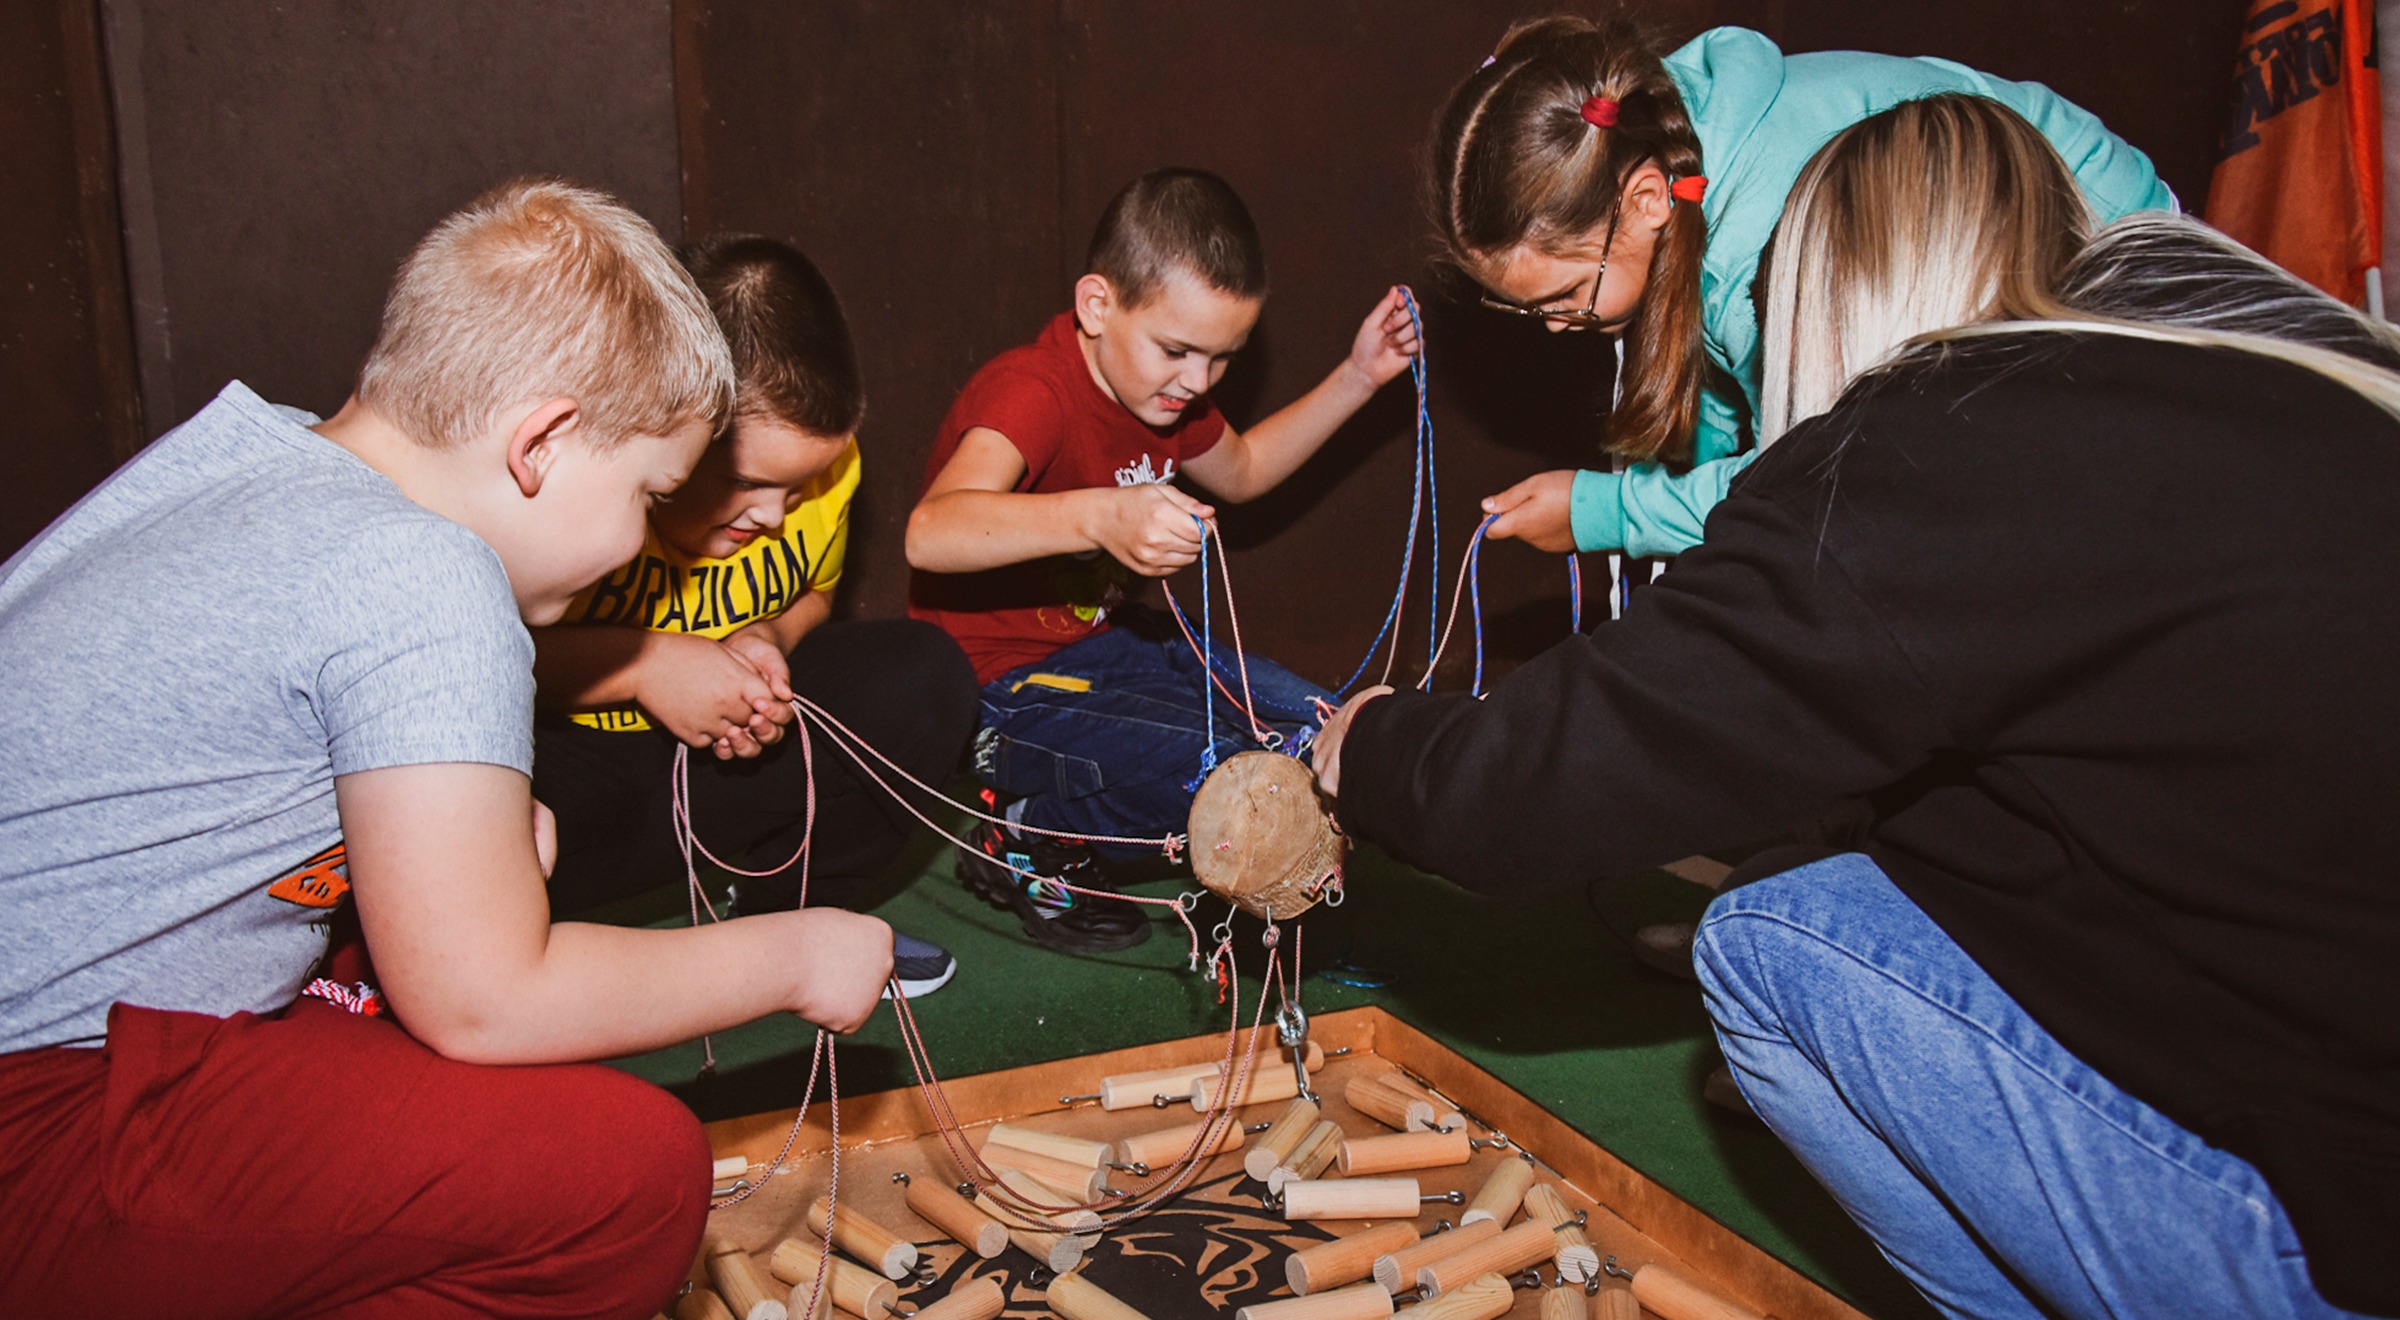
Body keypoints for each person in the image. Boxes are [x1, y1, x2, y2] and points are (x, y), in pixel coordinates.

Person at [1315, 98, 2396, 1318]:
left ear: (1832, 292)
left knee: (1771, 933)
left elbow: (1524, 794)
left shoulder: (1945, 444)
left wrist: (1376, 747)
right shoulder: (2260, 377)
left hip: (2339, 1242)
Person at [0, 181, 893, 1318]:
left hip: (73, 1031)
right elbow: (487, 1001)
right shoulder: (427, 572)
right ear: (542, 443)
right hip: (39, 1113)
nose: (640, 535)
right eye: (648, 492)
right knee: (624, 1176)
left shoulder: (244, 451)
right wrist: (797, 956)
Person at [1430, 12, 2171, 561]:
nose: (1557, 326)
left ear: (1648, 201)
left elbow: (1817, 472)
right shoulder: (1657, 136)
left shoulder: (1765, 247)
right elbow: (1719, 360)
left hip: (2109, 283)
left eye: (1563, 297)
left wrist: (1611, 511)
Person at [907, 167, 1419, 954]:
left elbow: (1243, 471)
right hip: (1001, 694)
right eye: (1178, 350)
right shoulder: (1032, 392)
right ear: (1096, 305)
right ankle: (1027, 833)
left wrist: (1357, 378)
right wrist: (1101, 515)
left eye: (1222, 359)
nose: (1198, 381)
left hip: (1113, 651)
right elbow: (931, 532)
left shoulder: (1164, 396)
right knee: (1232, 762)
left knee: (1324, 731)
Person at [532, 234, 978, 998]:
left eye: (798, 488)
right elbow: (468, 666)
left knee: (924, 677)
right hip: (573, 788)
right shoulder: (572, 492)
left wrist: (767, 636)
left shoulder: (818, 471)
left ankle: (792, 916)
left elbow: (814, 593)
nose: (774, 515)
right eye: (746, 480)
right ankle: (520, 958)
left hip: (715, 772)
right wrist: (647, 666)